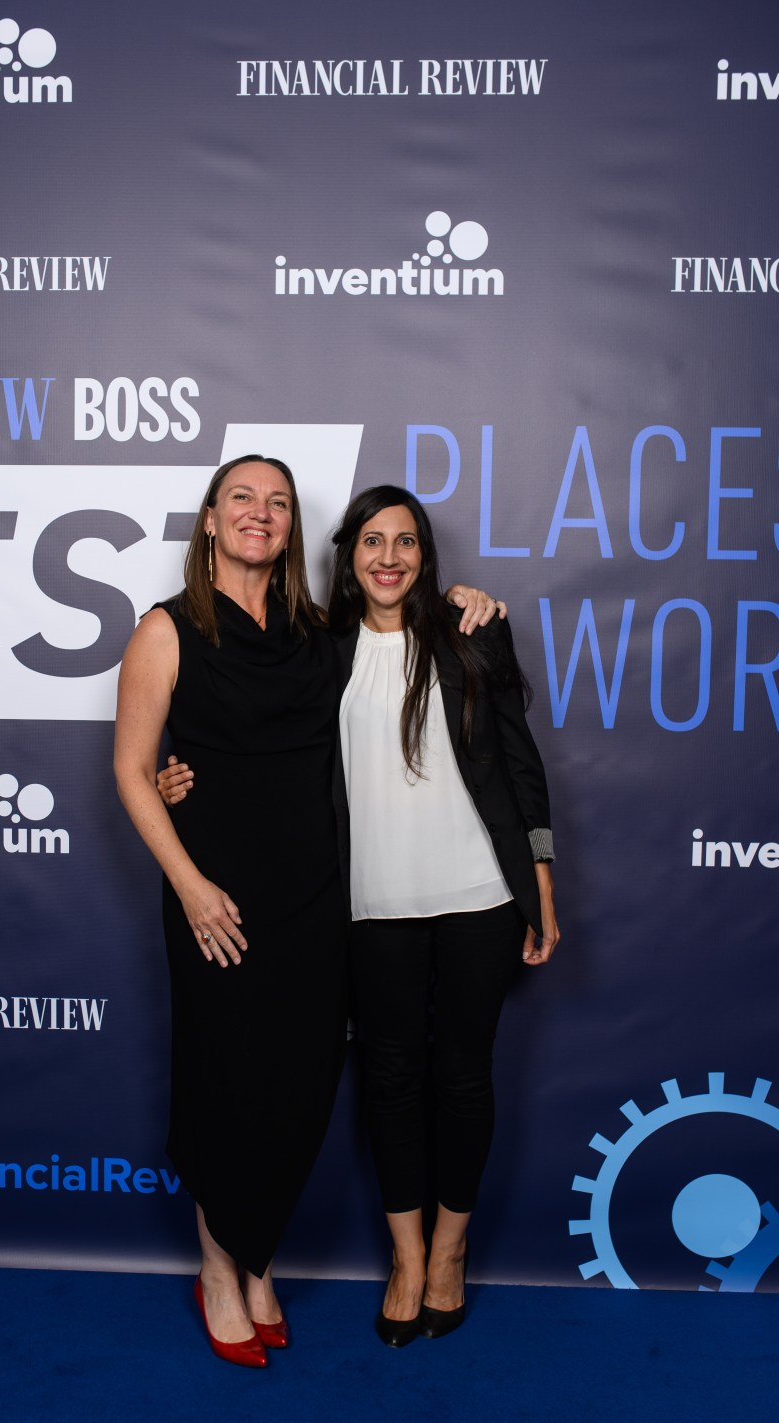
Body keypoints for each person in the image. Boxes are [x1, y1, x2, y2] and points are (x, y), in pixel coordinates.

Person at [116, 456, 498, 1368]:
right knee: (222, 1081)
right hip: (215, 897)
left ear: (291, 528)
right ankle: (220, 1271)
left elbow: (398, 637)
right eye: (242, 498)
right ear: (211, 519)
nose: (261, 512)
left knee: (294, 1085)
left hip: (318, 896)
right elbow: (132, 769)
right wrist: (191, 883)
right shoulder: (166, 629)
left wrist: (467, 600)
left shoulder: (318, 631)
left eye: (278, 502)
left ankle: (259, 1264)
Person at [329, 485, 559, 1347]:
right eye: (372, 540)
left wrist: (541, 884)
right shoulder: (319, 648)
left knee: (462, 1077)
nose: (388, 557)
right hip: (371, 902)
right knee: (389, 1080)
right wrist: (181, 778)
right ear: (349, 555)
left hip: (480, 896)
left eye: (406, 541)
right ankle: (407, 1257)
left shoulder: (471, 631)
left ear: (425, 555)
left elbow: (521, 761)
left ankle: (450, 1253)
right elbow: (264, 751)